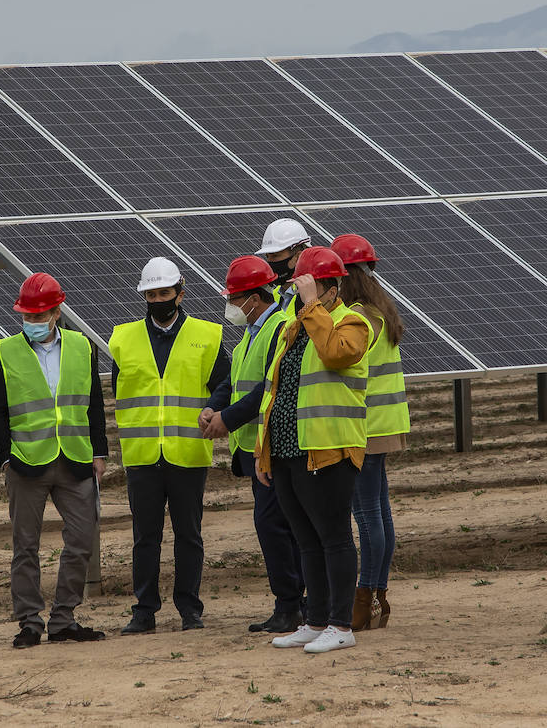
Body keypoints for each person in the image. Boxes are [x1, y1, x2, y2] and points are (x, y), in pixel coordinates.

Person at [257, 247, 370, 655]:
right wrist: (262, 451)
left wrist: (311, 308)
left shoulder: (351, 321)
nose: (300, 293)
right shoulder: (293, 327)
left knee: (334, 537)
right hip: (289, 448)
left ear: (326, 286)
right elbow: (275, 390)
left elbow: (338, 354)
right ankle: (316, 620)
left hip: (329, 449)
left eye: (306, 286)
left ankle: (341, 624)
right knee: (306, 539)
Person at [109, 257, 230, 634]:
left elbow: (225, 386)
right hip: (143, 456)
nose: (158, 299)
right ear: (144, 296)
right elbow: (119, 391)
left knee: (189, 536)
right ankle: (144, 611)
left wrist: (214, 410)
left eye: (164, 292)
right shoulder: (122, 338)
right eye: (152, 294)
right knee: (145, 537)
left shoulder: (208, 336)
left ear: (180, 293)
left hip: (188, 453)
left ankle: (189, 609)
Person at [0, 272, 108, 648]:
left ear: (57, 312)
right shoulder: (4, 351)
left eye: (40, 316)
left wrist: (99, 451)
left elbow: (95, 404)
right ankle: (29, 621)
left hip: (75, 460)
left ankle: (64, 619)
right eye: (28, 316)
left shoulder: (83, 346)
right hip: (26, 461)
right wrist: (5, 457)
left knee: (82, 539)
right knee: (25, 545)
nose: (34, 323)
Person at [199, 255, 305, 633]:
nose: (231, 306)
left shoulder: (279, 327)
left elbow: (266, 387)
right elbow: (236, 377)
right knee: (281, 525)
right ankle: (297, 602)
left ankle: (290, 605)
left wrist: (227, 419)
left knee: (273, 526)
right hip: (254, 446)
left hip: (271, 446)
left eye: (235, 298)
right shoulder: (253, 331)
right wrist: (214, 405)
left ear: (254, 298)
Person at [330, 233, 408, 631]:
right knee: (380, 513)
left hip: (366, 428)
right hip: (387, 425)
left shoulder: (358, 318)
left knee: (367, 516)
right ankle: (378, 595)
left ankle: (365, 600)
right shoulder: (383, 312)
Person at [256, 217, 311, 316]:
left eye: (275, 256)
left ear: (299, 257)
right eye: (268, 257)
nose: (270, 263)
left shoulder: (312, 298)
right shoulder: (273, 295)